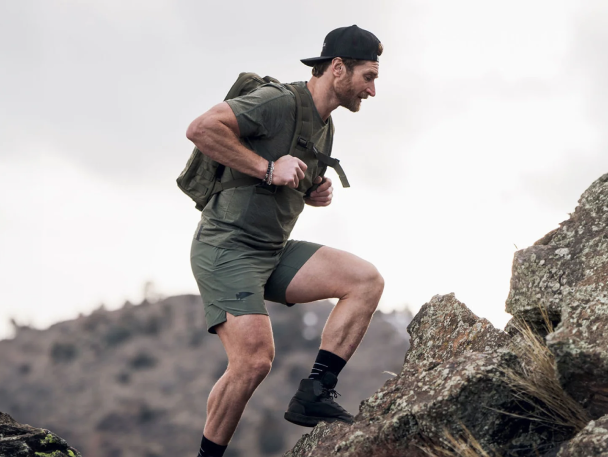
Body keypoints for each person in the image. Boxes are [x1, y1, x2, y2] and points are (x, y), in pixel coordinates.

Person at [185, 25, 385, 457]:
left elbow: (293, 176)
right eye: (368, 76)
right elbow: (202, 128)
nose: (372, 90)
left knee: (365, 281)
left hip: (271, 251)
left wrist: (315, 191)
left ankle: (316, 391)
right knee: (254, 360)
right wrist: (266, 167)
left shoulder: (325, 125)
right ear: (337, 68)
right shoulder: (278, 101)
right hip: (227, 247)